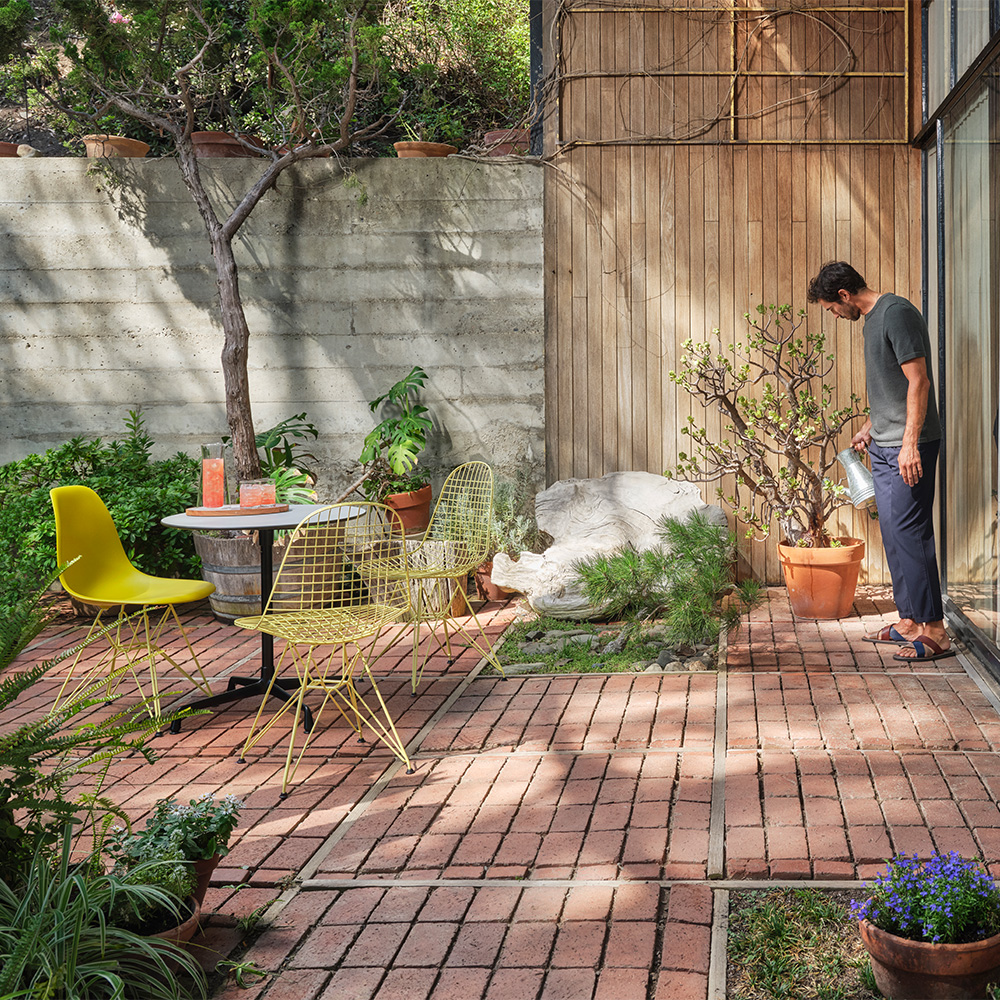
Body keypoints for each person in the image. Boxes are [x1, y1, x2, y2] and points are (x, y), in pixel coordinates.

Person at [806, 261, 953, 661]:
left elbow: (919, 380)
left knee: (911, 531)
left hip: (912, 444)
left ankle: (936, 630)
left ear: (844, 295)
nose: (835, 316)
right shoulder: (871, 321)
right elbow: (893, 385)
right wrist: (871, 425)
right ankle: (909, 620)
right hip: (885, 445)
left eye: (831, 309)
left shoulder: (897, 313)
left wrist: (909, 444)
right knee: (891, 530)